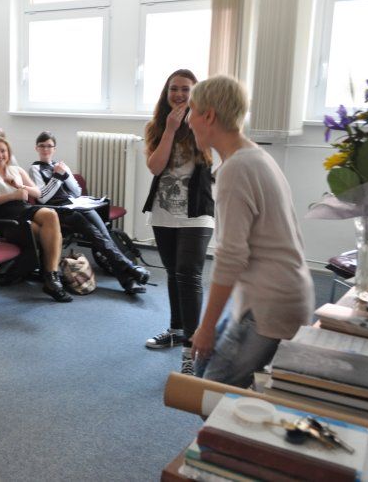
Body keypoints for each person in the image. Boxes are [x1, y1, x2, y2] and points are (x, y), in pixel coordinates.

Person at [187, 75, 314, 388]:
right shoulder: (255, 156)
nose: (188, 121)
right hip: (280, 294)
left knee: (211, 392)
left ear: (209, 116)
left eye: (192, 111)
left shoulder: (236, 169)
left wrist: (206, 327)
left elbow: (231, 257)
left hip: (269, 303)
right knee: (202, 372)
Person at [141, 69, 215, 375]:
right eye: (174, 88)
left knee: (189, 274)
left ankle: (191, 348)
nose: (180, 94)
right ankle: (175, 329)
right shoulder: (157, 126)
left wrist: (192, 123)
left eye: (186, 89)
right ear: (166, 92)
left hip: (197, 211)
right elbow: (155, 167)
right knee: (173, 271)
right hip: (164, 211)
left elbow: (210, 159)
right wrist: (170, 130)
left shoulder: (207, 122)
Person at [29, 131, 149, 294]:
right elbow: (43, 197)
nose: (45, 149)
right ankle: (130, 273)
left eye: (49, 146)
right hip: (58, 210)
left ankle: (128, 278)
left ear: (54, 149)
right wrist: (57, 176)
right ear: (36, 148)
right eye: (42, 146)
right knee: (97, 236)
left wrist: (65, 174)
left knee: (104, 235)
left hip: (77, 204)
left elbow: (77, 192)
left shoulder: (60, 165)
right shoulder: (35, 168)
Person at [0, 135, 71, 302]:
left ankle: (51, 275)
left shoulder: (17, 170)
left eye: (3, 151)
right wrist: (12, 195)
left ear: (8, 152)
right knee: (48, 232)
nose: (0, 155)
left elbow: (38, 193)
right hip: (4, 216)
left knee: (51, 215)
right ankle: (51, 278)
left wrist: (19, 186)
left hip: (23, 208)